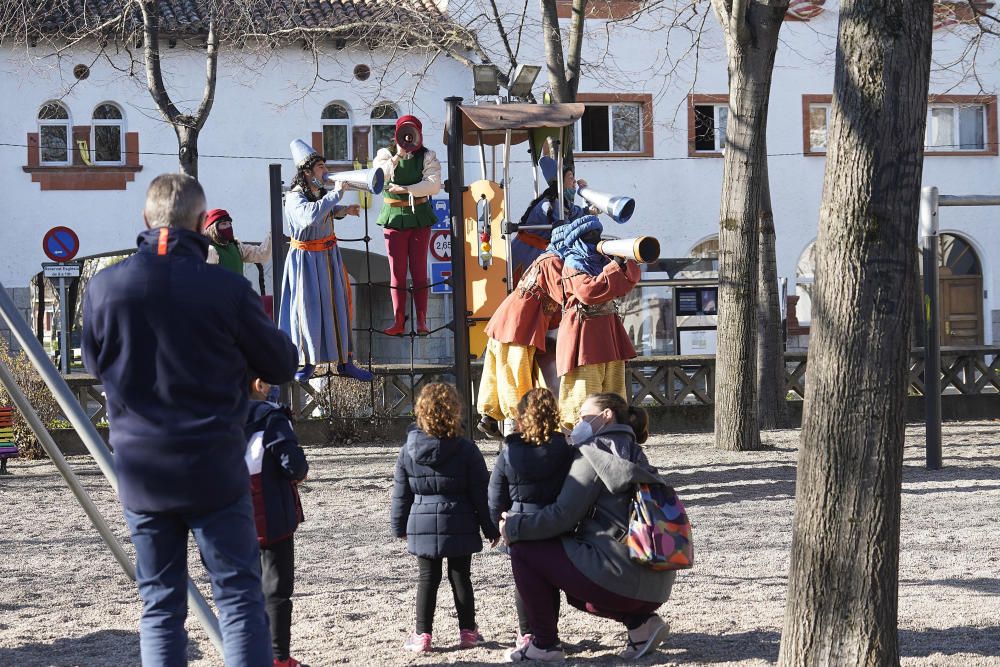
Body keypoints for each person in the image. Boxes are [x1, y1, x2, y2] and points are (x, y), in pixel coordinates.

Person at [81, 173, 298, 666]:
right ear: (203, 223)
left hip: (141, 468)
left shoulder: (105, 287)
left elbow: (96, 364)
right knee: (240, 599)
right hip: (213, 465)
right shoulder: (225, 287)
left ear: (145, 218)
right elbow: (282, 363)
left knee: (159, 606)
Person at [500, 393, 673, 662]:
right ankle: (641, 624)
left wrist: (513, 527)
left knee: (523, 549)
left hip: (621, 576)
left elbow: (562, 516)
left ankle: (544, 645)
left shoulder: (593, 456)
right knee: (576, 592)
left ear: (606, 416)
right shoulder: (636, 453)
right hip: (657, 577)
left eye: (583, 417)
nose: (577, 423)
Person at [390, 382, 500, 653]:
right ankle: (468, 632)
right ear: (455, 411)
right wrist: (491, 528)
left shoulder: (408, 450)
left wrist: (399, 525)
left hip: (422, 520)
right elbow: (481, 493)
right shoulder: (466, 449)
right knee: (461, 576)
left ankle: (422, 635)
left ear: (420, 411)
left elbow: (401, 493)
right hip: (460, 520)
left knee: (427, 578)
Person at [488, 388, 574, 651]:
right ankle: (549, 632)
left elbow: (495, 493)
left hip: (519, 523)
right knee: (551, 581)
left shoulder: (509, 452)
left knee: (525, 583)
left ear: (522, 417)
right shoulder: (567, 451)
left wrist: (494, 527)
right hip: (554, 522)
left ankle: (527, 633)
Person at [280, 139, 371, 383]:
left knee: (338, 307)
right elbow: (309, 217)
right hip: (306, 263)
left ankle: (345, 361)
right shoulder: (293, 198)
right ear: (306, 172)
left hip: (328, 258)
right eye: (320, 167)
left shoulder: (318, 194)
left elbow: (325, 211)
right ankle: (306, 362)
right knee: (307, 310)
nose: (325, 171)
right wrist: (336, 194)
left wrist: (343, 209)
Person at [245, 373, 310, 667]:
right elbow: (294, 466)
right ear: (258, 384)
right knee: (276, 591)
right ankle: (278, 657)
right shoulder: (271, 418)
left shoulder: (212, 417)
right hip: (272, 518)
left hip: (229, 519)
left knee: (241, 592)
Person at [554, 215, 641, 430]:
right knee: (585, 391)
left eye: (598, 234)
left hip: (609, 333)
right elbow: (588, 292)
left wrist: (623, 262)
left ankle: (616, 429)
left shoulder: (602, 262)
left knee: (614, 389)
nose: (597, 240)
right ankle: (582, 435)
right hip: (584, 335)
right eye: (591, 236)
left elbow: (627, 284)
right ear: (580, 239)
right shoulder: (573, 263)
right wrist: (613, 268)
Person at [475, 247, 565, 439]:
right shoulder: (556, 263)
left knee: (498, 373)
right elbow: (565, 296)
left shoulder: (540, 262)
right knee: (517, 382)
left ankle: (488, 415)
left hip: (505, 320)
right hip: (520, 326)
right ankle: (516, 431)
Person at [372, 115, 442, 336]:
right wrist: (397, 156)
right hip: (393, 217)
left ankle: (421, 320)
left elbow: (433, 185)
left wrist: (405, 189)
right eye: (404, 132)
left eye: (412, 132)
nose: (408, 136)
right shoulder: (385, 154)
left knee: (420, 270)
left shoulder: (427, 155)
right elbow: (380, 176)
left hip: (419, 217)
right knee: (397, 273)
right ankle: (398, 321)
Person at [511, 157, 596, 286]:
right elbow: (569, 229)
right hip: (526, 253)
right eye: (570, 178)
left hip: (538, 253)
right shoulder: (548, 205)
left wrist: (585, 192)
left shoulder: (563, 205)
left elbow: (580, 214)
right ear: (560, 182)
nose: (574, 182)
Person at [202, 208, 273, 276]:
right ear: (213, 228)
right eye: (224, 224)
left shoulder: (237, 246)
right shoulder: (210, 250)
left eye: (230, 223)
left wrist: (272, 235)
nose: (229, 227)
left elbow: (262, 254)